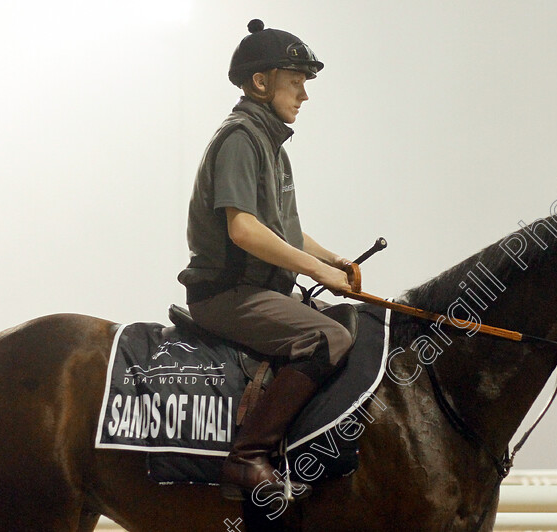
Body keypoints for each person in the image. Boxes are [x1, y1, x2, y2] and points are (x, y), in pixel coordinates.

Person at [177, 19, 355, 500]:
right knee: (327, 336)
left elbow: (286, 231)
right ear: (261, 82)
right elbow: (244, 229)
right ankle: (247, 457)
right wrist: (314, 270)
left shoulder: (272, 145)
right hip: (227, 296)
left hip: (257, 291)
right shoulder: (239, 137)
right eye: (295, 81)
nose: (303, 94)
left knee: (351, 322)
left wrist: (332, 259)